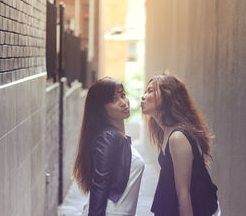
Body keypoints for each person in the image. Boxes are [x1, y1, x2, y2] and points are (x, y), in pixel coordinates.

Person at [141, 73, 220, 216]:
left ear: (167, 97)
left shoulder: (178, 137)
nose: (143, 96)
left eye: (150, 91)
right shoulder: (165, 131)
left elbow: (183, 194)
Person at [73, 77, 145, 216]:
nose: (123, 103)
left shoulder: (116, 137)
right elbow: (99, 186)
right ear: (101, 109)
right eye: (113, 100)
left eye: (122, 95)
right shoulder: (109, 138)